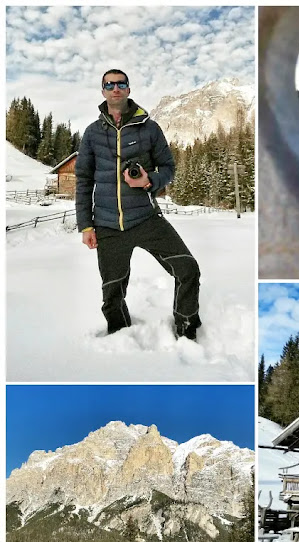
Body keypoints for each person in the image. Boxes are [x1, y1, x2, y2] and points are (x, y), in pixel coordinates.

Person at [75, 69, 201, 340]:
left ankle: (186, 326)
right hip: (107, 225)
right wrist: (86, 224)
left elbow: (168, 167)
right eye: (109, 84)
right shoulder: (92, 133)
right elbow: (83, 180)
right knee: (112, 292)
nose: (115, 88)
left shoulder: (150, 128)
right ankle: (120, 335)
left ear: (129, 90)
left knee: (188, 268)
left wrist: (148, 181)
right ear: (103, 91)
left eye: (121, 83)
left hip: (146, 218)